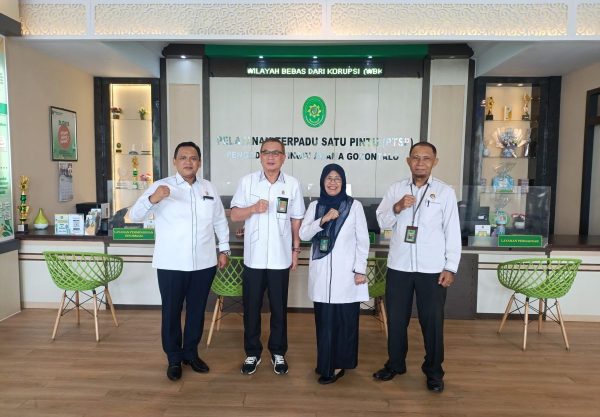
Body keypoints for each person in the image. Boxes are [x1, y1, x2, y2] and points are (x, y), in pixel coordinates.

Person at [129, 141, 230, 381]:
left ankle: (191, 354)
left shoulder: (208, 188)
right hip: (171, 264)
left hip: (204, 263)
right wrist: (153, 198)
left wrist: (224, 248)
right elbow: (134, 215)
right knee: (171, 311)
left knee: (197, 311)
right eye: (183, 157)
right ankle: (174, 358)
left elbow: (219, 220)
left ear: (199, 163)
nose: (188, 162)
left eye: (193, 158)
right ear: (175, 161)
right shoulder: (161, 186)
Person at [373, 142, 461, 393]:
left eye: (426, 158)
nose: (420, 163)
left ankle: (434, 371)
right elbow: (382, 221)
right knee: (396, 320)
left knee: (432, 322)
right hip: (399, 266)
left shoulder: (445, 192)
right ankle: (395, 364)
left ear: (435, 162)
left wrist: (450, 267)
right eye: (416, 158)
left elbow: (452, 232)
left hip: (432, 269)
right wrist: (397, 207)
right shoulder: (396, 189)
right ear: (408, 161)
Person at [230, 138, 305, 375]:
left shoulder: (292, 184)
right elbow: (234, 214)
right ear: (260, 156)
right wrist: (253, 208)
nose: (271, 156)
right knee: (251, 308)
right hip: (253, 259)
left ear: (284, 157)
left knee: (279, 309)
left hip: (280, 259)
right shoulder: (247, 182)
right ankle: (252, 353)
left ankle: (278, 352)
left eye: (276, 152)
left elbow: (296, 220)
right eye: (266, 152)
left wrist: (295, 251)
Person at [299, 164, 369, 384]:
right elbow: (303, 234)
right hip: (322, 277)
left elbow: (362, 240)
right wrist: (323, 220)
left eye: (337, 178)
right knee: (325, 322)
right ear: (322, 181)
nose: (333, 182)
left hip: (346, 276)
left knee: (345, 322)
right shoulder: (315, 206)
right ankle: (326, 363)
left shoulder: (354, 206)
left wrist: (360, 269)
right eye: (329, 178)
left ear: (343, 182)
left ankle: (339, 364)